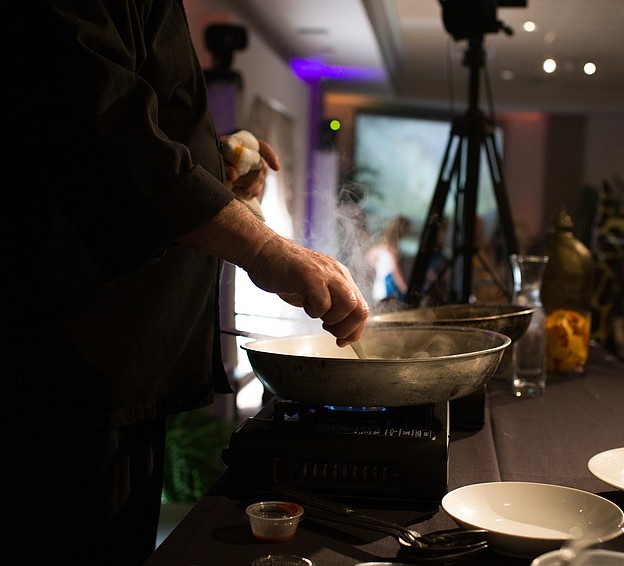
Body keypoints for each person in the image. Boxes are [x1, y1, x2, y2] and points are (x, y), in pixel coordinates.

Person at [6, 2, 369, 565]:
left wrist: (209, 162)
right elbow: (98, 128)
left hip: (124, 373)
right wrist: (265, 249)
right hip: (70, 371)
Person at [367, 215, 411, 305]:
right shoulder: (392, 248)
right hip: (388, 286)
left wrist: (380, 268)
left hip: (379, 285)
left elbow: (370, 256)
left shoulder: (382, 244)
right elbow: (395, 271)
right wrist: (405, 289)